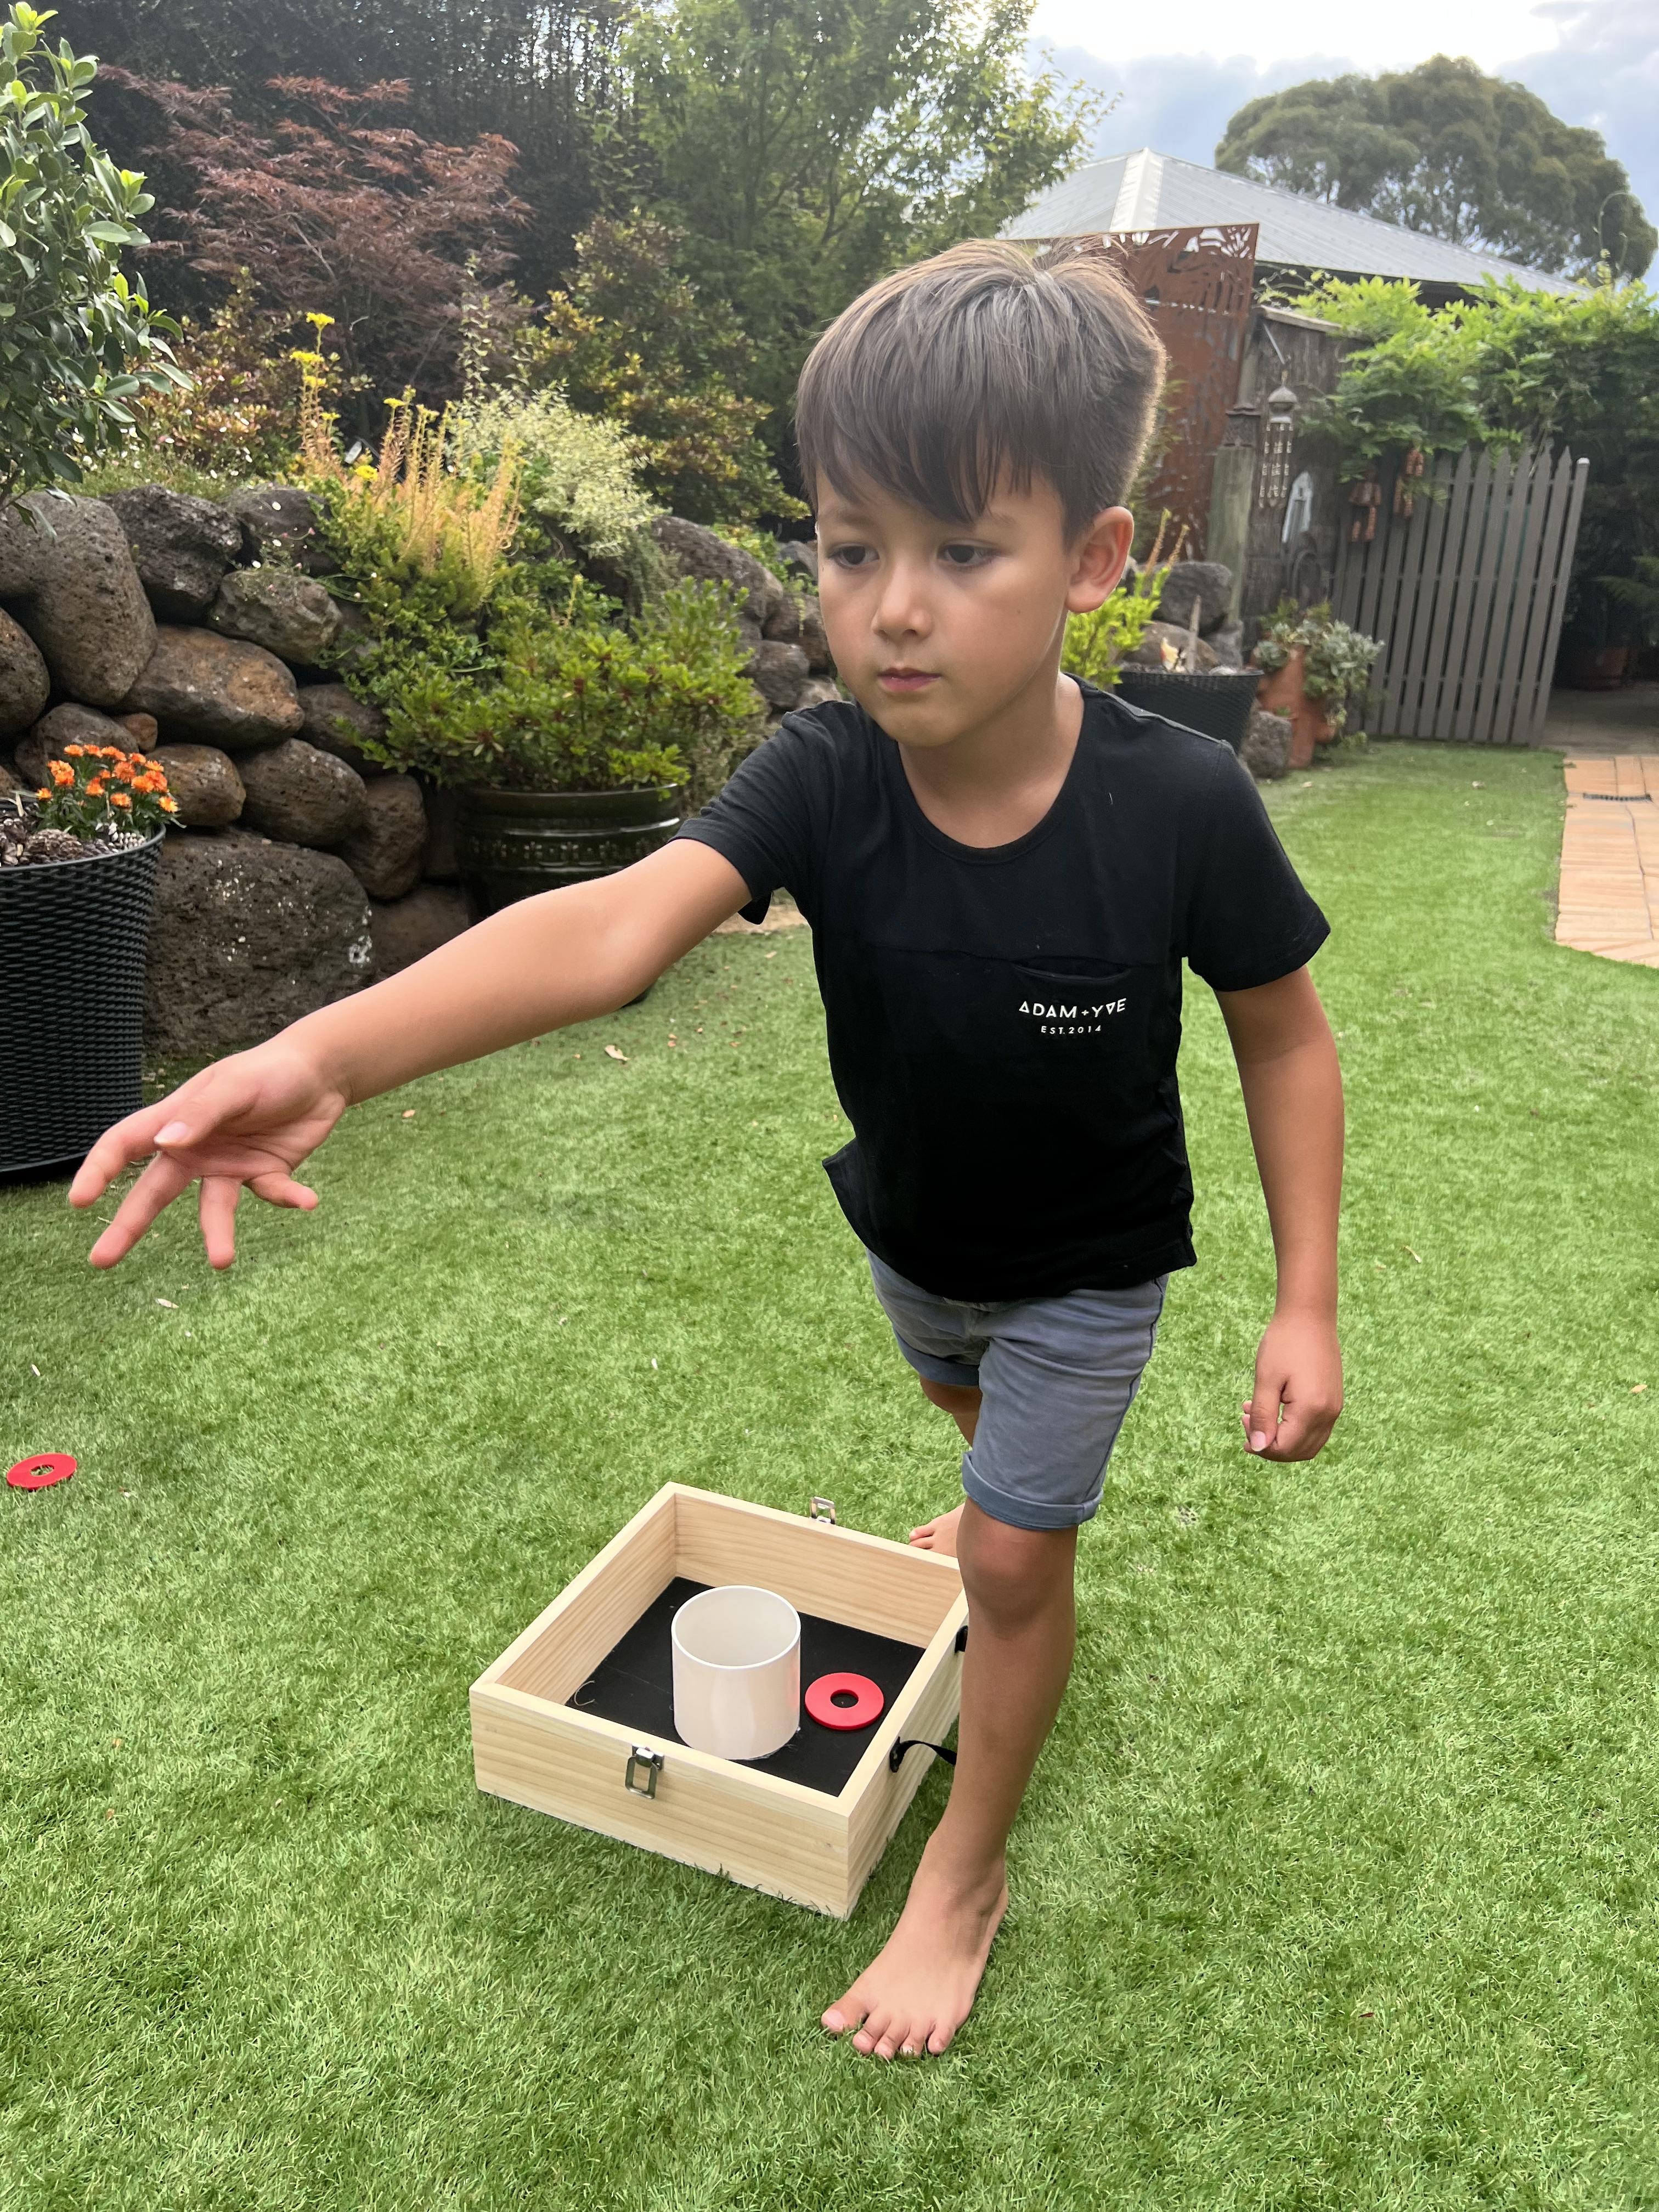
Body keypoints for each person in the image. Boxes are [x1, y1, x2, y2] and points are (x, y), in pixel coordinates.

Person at [71, 238, 1344, 2062]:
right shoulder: (825, 772)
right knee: (967, 1431)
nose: (893, 608)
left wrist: (1307, 1304)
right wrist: (319, 1049)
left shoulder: (1181, 802)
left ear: (1092, 563)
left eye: (963, 553)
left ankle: (962, 1866)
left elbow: (1285, 1036)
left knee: (1008, 1565)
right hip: (913, 1237)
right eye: (848, 548)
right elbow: (603, 934)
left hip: (1088, 1269)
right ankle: (998, 1498)